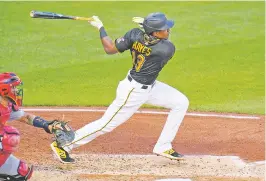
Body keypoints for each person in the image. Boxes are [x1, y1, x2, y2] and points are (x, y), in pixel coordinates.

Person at [51, 12, 189, 163]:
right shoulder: (166, 49)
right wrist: (146, 25)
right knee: (106, 124)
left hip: (150, 87)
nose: (168, 30)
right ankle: (64, 145)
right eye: (165, 28)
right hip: (133, 92)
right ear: (155, 32)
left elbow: (110, 48)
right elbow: (151, 42)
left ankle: (163, 146)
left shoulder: (134, 34)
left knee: (180, 102)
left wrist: (100, 27)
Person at [0, 72, 71, 180]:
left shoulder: (7, 105)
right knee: (9, 137)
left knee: (21, 172)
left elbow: (25, 117)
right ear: (4, 89)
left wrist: (47, 124)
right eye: (14, 87)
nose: (17, 91)